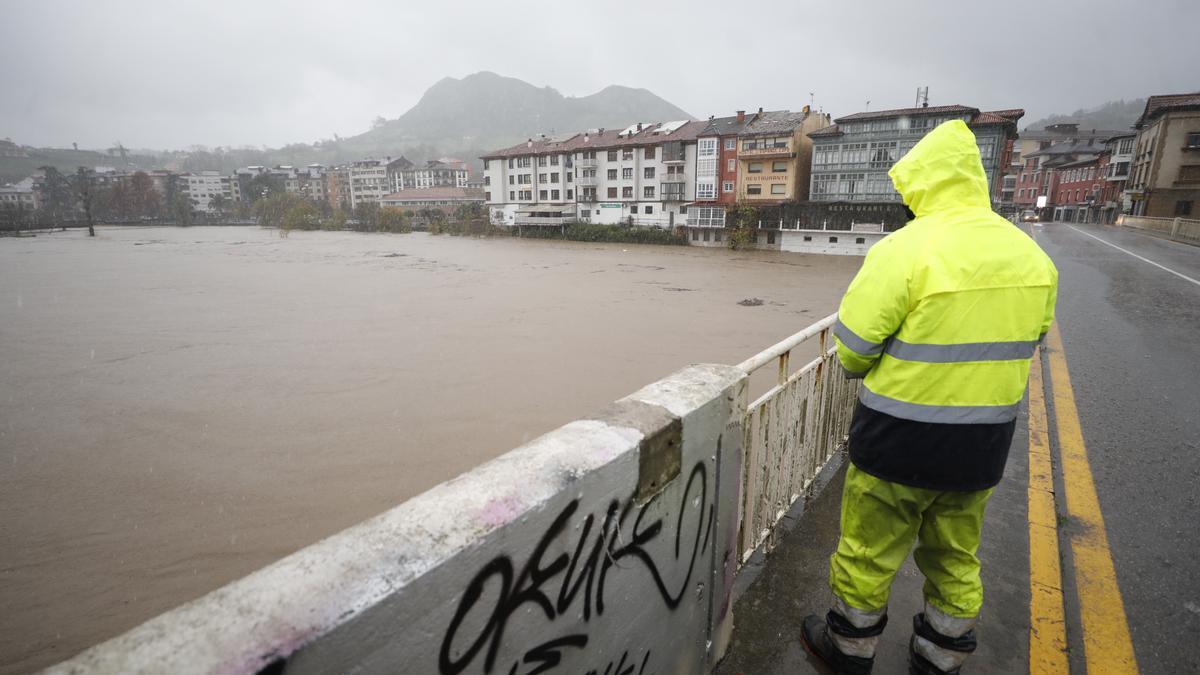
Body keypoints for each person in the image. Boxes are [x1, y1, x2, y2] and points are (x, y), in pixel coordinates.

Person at [799, 119, 1058, 675]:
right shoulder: (1033, 258)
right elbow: (1030, 341)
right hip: (981, 448)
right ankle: (939, 658)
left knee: (868, 553)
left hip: (897, 443)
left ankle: (848, 650)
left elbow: (853, 349)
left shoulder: (904, 250)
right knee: (956, 556)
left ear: (923, 183)